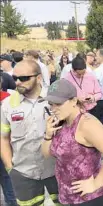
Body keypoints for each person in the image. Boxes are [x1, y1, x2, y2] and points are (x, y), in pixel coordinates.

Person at [41, 79, 103, 206]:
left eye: (58, 104)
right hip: (67, 195)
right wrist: (48, 135)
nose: (54, 108)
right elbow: (47, 155)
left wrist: (96, 183)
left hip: (88, 198)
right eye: (51, 104)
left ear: (74, 101)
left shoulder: (86, 124)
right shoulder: (60, 122)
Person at [1, 60, 60, 206]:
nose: (18, 82)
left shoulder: (55, 99)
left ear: (39, 78)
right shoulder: (8, 104)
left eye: (24, 78)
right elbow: (3, 138)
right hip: (23, 173)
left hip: (57, 169)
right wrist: (10, 167)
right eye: (15, 78)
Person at [0, 75, 17, 206]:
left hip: (5, 143)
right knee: (7, 178)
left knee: (7, 177)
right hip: (6, 143)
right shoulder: (9, 98)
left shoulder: (9, 99)